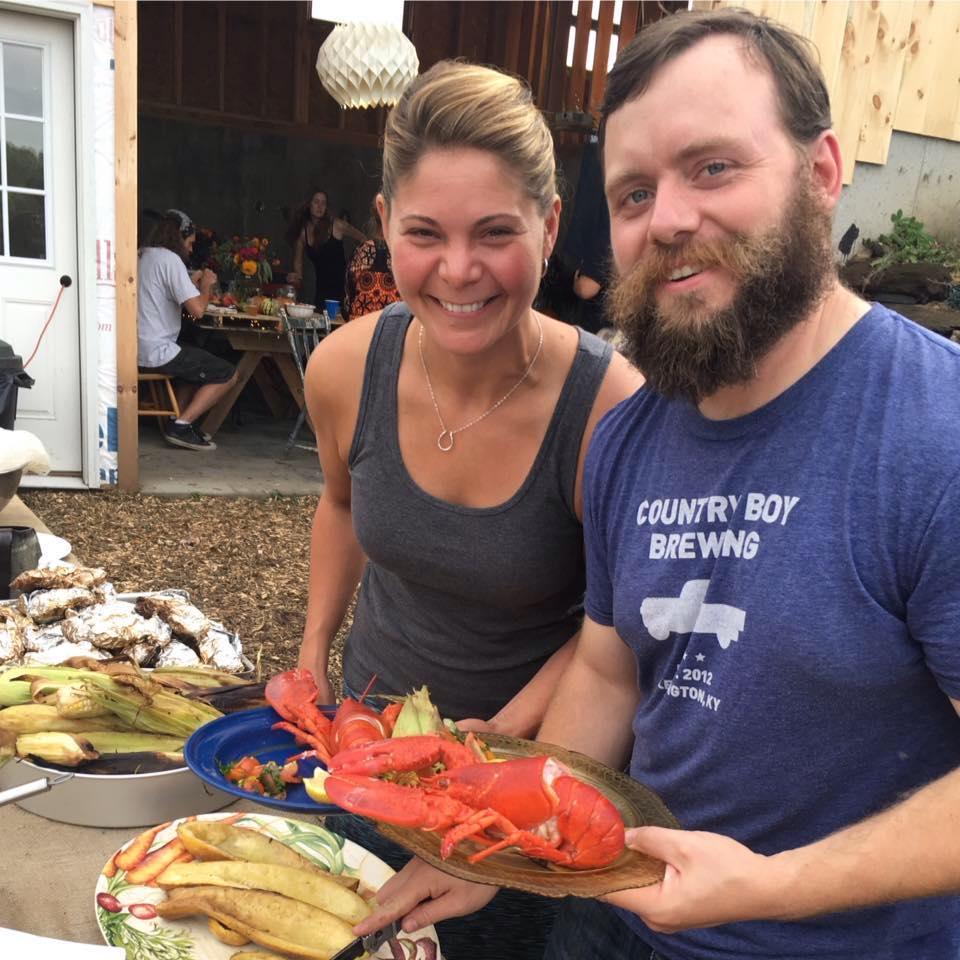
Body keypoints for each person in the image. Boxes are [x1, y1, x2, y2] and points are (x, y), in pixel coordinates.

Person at [353, 9, 960, 959]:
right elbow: (610, 666)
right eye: (634, 194)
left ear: (822, 172)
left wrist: (773, 886)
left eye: (714, 167)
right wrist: (498, 852)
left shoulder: (936, 430)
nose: (669, 219)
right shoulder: (631, 435)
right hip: (612, 917)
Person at [297, 60, 640, 959]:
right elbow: (339, 506)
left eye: (496, 232)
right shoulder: (342, 367)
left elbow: (618, 626)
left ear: (551, 225)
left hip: (530, 787)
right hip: (369, 747)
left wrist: (517, 724)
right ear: (383, 229)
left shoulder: (610, 410)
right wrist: (310, 652)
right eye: (424, 233)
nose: (459, 270)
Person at [137, 209, 238, 451]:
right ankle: (181, 425)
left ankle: (177, 420)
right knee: (228, 373)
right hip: (156, 350)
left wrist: (190, 284)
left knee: (193, 360)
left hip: (135, 347)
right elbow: (197, 311)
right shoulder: (171, 260)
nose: (191, 250)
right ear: (180, 237)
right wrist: (206, 286)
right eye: (190, 243)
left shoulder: (142, 255)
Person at [286, 190, 366, 311]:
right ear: (309, 204)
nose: (320, 206)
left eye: (323, 203)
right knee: (322, 324)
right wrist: (295, 277)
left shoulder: (336, 225)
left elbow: (364, 240)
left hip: (342, 290)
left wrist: (358, 266)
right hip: (321, 292)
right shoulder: (303, 234)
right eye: (316, 202)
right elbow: (298, 267)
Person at [342, 203, 401, 321]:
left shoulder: (362, 251)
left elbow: (348, 295)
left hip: (360, 326)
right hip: (391, 327)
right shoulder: (400, 254)